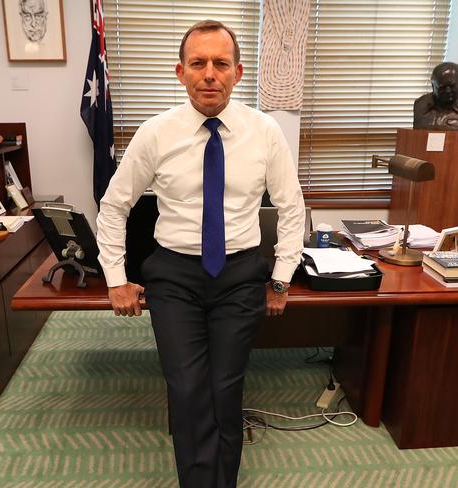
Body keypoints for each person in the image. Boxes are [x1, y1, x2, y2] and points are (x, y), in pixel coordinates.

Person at [96, 20, 305, 488]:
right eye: (198, 63)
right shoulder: (155, 133)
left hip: (240, 273)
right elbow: (114, 207)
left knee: (224, 389)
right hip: (175, 277)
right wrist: (114, 277)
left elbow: (292, 207)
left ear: (238, 71)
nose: (209, 73)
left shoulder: (265, 131)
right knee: (187, 391)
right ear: (180, 71)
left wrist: (282, 278)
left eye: (221, 63)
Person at [413, 62, 458, 131]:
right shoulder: (420, 104)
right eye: (442, 87)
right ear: (433, 85)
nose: (448, 91)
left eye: (452, 86)